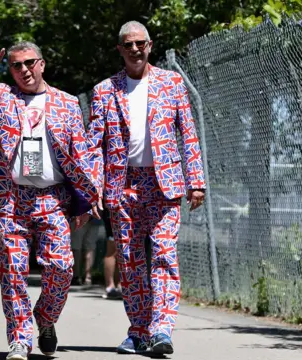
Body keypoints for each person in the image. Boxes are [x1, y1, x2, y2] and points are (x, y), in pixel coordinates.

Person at [0, 33, 100, 360]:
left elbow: (82, 153)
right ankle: (20, 339)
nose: (24, 70)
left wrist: (86, 198)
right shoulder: (2, 96)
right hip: (11, 198)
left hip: (53, 199)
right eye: (16, 66)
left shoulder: (67, 103)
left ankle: (45, 319)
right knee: (13, 270)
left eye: (29, 63)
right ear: (10, 70)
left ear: (41, 64)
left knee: (62, 267)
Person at [87, 21, 206, 355]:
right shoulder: (104, 90)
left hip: (163, 184)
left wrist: (196, 181)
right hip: (123, 186)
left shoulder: (172, 83)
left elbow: (189, 132)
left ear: (150, 45)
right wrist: (94, 188)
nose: (135, 49)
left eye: (140, 43)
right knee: (131, 261)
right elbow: (93, 145)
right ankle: (139, 330)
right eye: (128, 45)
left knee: (165, 257)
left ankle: (162, 329)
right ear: (120, 50)